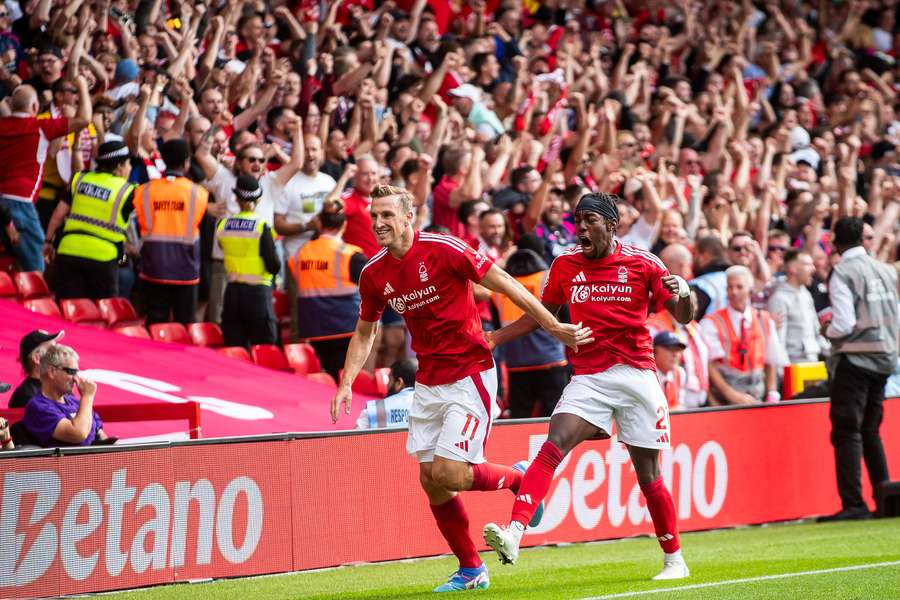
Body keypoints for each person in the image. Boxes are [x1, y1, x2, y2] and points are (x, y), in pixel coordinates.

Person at [330, 184, 590, 592]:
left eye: (386, 215)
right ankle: (471, 569)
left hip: (470, 373)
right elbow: (365, 331)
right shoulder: (374, 272)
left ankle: (520, 479)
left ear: (407, 217)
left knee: (449, 471)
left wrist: (554, 325)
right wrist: (346, 382)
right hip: (428, 381)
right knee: (431, 480)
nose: (379, 223)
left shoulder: (444, 248)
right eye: (374, 216)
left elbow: (508, 285)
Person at [482, 192, 694, 581]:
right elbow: (540, 315)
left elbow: (682, 315)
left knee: (648, 474)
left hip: (636, 375)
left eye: (590, 220)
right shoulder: (564, 265)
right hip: (589, 376)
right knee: (553, 443)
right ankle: (515, 533)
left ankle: (674, 558)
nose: (580, 227)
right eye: (577, 220)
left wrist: (685, 293)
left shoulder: (644, 262)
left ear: (611, 226)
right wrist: (495, 338)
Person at [819, 217, 899, 522]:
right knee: (870, 430)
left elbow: (844, 323)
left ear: (837, 243)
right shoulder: (885, 269)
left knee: (846, 430)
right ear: (862, 239)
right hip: (885, 358)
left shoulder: (843, 272)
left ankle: (853, 503)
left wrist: (827, 328)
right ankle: (886, 498)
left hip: (855, 359)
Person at [0, 78, 91, 271]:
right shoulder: (40, 127)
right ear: (34, 106)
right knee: (35, 268)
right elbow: (83, 120)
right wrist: (82, 87)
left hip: (3, 201)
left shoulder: (3, 125)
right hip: (21, 202)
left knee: (16, 262)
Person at [43, 140, 135, 299]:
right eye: (128, 163)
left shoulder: (79, 179)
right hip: (103, 258)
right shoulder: (127, 191)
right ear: (119, 166)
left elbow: (58, 213)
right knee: (101, 313)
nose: (130, 168)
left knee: (68, 308)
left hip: (68, 251)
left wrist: (48, 242)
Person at [289, 199, 368, 381]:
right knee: (344, 381)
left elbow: (295, 275)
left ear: (320, 223)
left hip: (312, 330)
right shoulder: (351, 255)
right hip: (345, 329)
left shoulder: (301, 253)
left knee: (319, 381)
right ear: (345, 225)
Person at [134, 139, 209, 325]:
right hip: (186, 270)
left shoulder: (144, 191)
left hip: (153, 267)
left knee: (154, 324)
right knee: (184, 326)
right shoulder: (198, 193)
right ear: (186, 163)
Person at [494, 233, 567, 418]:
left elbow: (496, 325)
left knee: (520, 421)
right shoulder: (548, 277)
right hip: (551, 360)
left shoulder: (501, 283)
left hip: (516, 364)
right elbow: (566, 318)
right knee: (555, 419)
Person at [700, 266, 786, 405]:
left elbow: (771, 361)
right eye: (729, 287)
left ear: (750, 290)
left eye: (739, 287)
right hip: (725, 400)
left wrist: (772, 393)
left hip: (757, 397)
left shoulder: (764, 319)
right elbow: (709, 366)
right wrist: (731, 394)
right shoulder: (711, 323)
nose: (733, 292)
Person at [216, 175, 280, 348]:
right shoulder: (261, 227)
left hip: (233, 293)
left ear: (236, 198)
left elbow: (223, 247)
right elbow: (273, 265)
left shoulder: (223, 224)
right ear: (258, 199)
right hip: (258, 295)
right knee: (265, 347)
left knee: (234, 347)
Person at [649, 244, 710, 408]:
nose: (692, 309)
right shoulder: (654, 326)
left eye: (694, 305)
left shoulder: (696, 329)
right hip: (665, 401)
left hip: (698, 403)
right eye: (688, 303)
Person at [21, 344, 113, 447]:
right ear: (52, 371)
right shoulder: (38, 407)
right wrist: (87, 396)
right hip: (63, 462)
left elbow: (101, 436)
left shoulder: (75, 402)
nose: (76, 378)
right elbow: (78, 434)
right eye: (72, 372)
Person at [767, 249, 827, 363]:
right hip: (793, 366)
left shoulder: (806, 294)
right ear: (792, 269)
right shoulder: (779, 298)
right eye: (808, 265)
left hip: (813, 363)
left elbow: (816, 330)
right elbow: (778, 341)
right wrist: (785, 372)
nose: (813, 269)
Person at [355, 358, 418, 429]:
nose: (387, 385)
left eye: (389, 379)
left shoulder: (374, 409)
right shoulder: (430, 405)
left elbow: (354, 438)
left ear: (399, 383)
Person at [9, 329, 63, 408]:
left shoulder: (57, 386)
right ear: (37, 358)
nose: (59, 353)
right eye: (52, 349)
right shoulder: (27, 396)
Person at [654, 331, 687, 410]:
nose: (675, 354)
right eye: (670, 349)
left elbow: (681, 408)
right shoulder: (647, 376)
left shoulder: (679, 373)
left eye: (678, 350)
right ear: (654, 351)